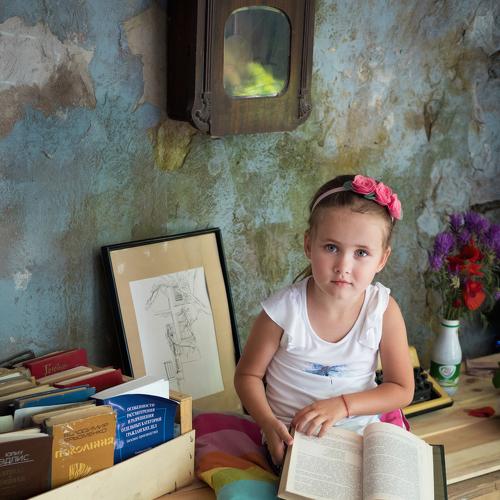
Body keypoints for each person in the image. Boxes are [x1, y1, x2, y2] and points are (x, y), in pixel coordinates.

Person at [234, 174, 415, 468]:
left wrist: (342, 406)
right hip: (292, 442)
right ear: (309, 245)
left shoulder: (383, 310)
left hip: (358, 438)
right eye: (331, 247)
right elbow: (247, 376)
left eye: (361, 253)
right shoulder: (283, 311)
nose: (343, 266)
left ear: (382, 259)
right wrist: (267, 423)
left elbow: (402, 388)